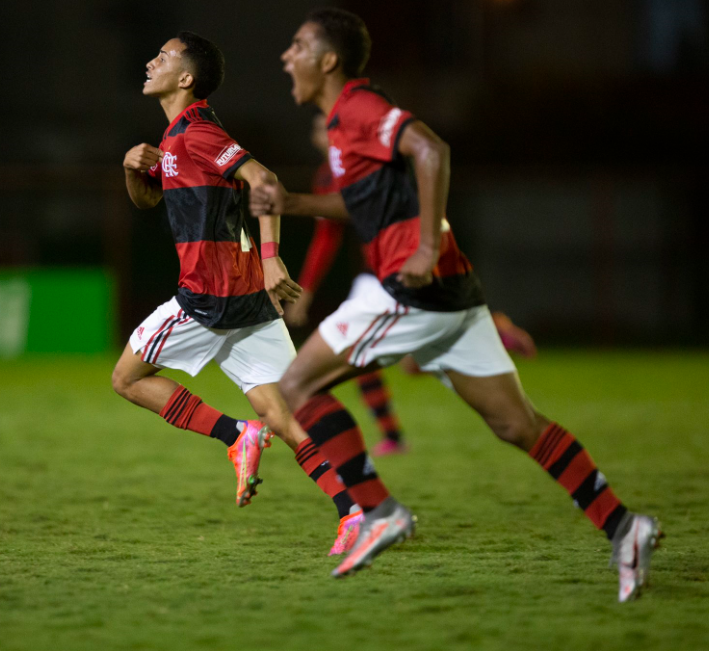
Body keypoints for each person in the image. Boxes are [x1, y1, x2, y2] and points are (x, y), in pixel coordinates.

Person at [250, 9, 661, 601]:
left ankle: (378, 510)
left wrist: (424, 244)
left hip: (409, 291)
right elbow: (361, 206)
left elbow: (431, 148)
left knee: (294, 391)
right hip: (450, 294)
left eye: (297, 45)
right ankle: (624, 527)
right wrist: (292, 202)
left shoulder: (360, 107)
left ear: (329, 60)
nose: (287, 56)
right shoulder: (343, 125)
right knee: (516, 424)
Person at [112, 31, 363, 555]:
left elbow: (264, 179)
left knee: (128, 379)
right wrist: (135, 169)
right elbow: (146, 200)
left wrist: (272, 259)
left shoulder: (199, 133)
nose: (150, 60)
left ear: (185, 78)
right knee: (284, 415)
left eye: (163, 56)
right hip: (246, 300)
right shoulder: (177, 141)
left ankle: (235, 435)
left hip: (209, 296)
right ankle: (354, 510)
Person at [285, 113, 538, 456]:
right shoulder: (329, 175)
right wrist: (307, 290)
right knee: (408, 363)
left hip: (395, 274)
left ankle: (389, 445)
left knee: (348, 356)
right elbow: (326, 239)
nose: (321, 135)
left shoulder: (362, 165)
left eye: (326, 128)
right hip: (385, 273)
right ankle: (493, 329)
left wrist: (426, 250)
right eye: (317, 129)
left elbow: (424, 174)